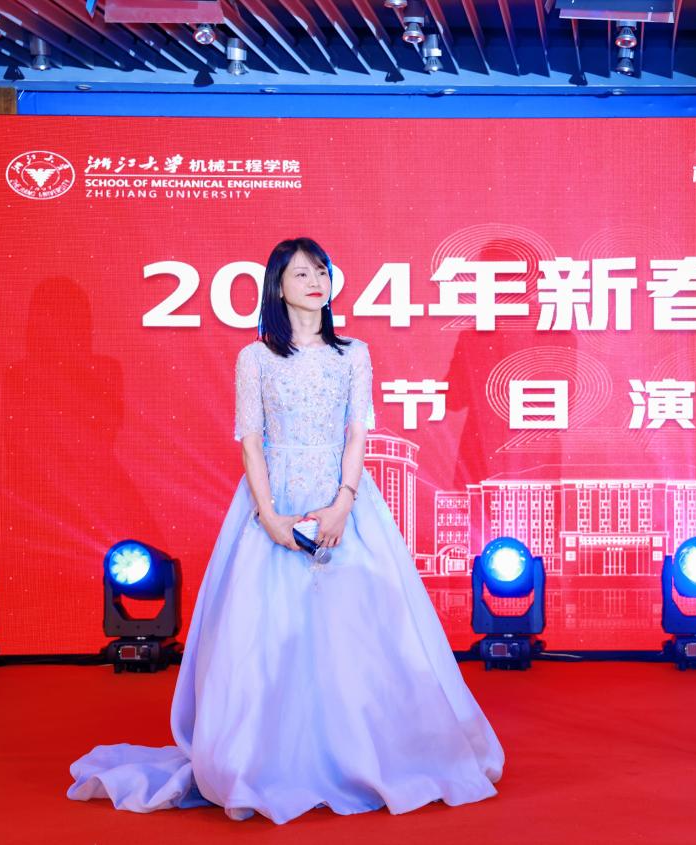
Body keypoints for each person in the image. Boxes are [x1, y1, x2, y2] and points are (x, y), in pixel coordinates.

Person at [68, 238, 503, 824]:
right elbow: (251, 441)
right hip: (271, 502)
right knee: (266, 638)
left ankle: (363, 754)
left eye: (321, 271)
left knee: (360, 634)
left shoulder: (353, 354)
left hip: (345, 503)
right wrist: (270, 515)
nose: (315, 281)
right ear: (277, 285)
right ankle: (267, 759)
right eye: (301, 274)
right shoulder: (255, 358)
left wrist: (343, 505)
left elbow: (357, 434)